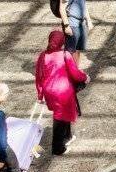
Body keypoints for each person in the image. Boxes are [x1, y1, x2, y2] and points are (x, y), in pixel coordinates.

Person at [34, 28, 89, 156]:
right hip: (64, 91)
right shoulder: (65, 55)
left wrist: (40, 93)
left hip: (50, 91)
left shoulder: (43, 55)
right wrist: (85, 77)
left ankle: (68, 136)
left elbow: (39, 75)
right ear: (62, 41)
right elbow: (75, 73)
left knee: (64, 114)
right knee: (60, 118)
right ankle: (58, 148)